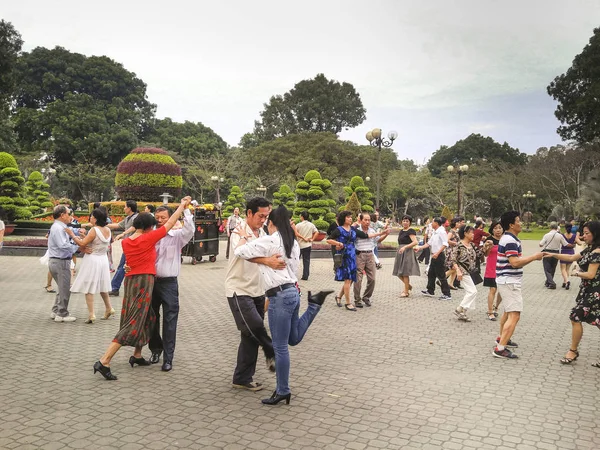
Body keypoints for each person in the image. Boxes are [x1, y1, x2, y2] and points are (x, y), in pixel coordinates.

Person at [234, 205, 333, 405]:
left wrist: (246, 238)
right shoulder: (293, 243)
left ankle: (282, 390)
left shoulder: (271, 240)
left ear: (272, 222)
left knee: (280, 348)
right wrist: (268, 261)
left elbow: (240, 252)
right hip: (292, 292)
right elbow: (293, 269)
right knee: (293, 339)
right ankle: (314, 304)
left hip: (280, 296)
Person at [93, 197, 190, 381]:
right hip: (144, 282)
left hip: (130, 282)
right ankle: (104, 360)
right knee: (134, 321)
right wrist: (182, 207)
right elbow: (170, 223)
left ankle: (137, 355)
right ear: (147, 228)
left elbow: (130, 262)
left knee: (149, 317)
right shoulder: (148, 239)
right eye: (153, 225)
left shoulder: (126, 242)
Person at [226, 197, 278, 392]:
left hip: (258, 291)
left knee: (249, 336)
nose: (263, 219)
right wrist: (267, 261)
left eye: (266, 216)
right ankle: (270, 349)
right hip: (239, 290)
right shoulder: (238, 230)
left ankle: (242, 378)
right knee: (255, 328)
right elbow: (242, 252)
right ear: (249, 213)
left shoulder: (263, 232)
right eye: (260, 215)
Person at [542, 221, 600, 366]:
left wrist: (577, 273)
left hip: (595, 293)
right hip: (588, 291)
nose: (584, 236)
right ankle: (573, 351)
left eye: (587, 233)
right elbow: (571, 258)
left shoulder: (597, 252)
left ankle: (573, 351)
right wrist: (553, 254)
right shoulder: (590, 250)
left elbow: (591, 274)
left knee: (575, 316)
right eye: (583, 233)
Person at [147, 204, 194, 372]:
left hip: (169, 283)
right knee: (151, 319)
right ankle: (155, 350)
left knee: (170, 320)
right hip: (151, 281)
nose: (160, 221)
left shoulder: (177, 236)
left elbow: (190, 230)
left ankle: (168, 357)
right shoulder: (150, 234)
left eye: (163, 218)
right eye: (157, 218)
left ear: (171, 219)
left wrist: (186, 210)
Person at [493, 211, 543, 359]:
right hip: (509, 281)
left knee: (508, 312)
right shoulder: (510, 240)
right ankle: (500, 348)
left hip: (506, 280)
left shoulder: (510, 238)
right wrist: (534, 257)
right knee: (515, 315)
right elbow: (514, 263)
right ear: (511, 224)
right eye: (518, 221)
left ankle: (502, 338)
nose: (520, 223)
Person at [326, 211, 387, 311]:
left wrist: (381, 233)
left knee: (349, 279)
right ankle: (348, 303)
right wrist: (338, 243)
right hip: (345, 255)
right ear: (343, 219)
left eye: (351, 217)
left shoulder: (353, 230)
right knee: (348, 279)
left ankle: (339, 297)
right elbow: (328, 239)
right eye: (348, 217)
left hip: (352, 255)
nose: (350, 219)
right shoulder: (339, 229)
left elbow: (366, 236)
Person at [67, 208, 115, 323]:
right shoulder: (108, 229)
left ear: (96, 219)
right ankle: (109, 308)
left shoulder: (94, 230)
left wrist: (72, 235)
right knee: (103, 285)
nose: (90, 219)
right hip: (103, 259)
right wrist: (84, 236)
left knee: (89, 286)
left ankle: (91, 314)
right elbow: (97, 242)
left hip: (92, 259)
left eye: (92, 217)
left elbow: (83, 244)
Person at [47, 205, 84, 322]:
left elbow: (70, 231)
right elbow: (63, 245)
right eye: (69, 214)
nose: (70, 216)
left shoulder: (59, 226)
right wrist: (78, 245)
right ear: (62, 215)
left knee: (62, 288)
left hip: (56, 261)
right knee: (65, 289)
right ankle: (62, 314)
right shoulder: (58, 228)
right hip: (60, 261)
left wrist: (77, 233)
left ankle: (55, 310)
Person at [353, 213, 389, 307]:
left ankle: (366, 297)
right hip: (359, 255)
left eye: (369, 220)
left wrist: (386, 235)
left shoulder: (372, 230)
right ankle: (357, 300)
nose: (368, 222)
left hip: (370, 255)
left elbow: (378, 240)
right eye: (365, 220)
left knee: (372, 278)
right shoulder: (356, 231)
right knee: (358, 279)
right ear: (360, 220)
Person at [415, 217, 452, 300]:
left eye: (432, 222)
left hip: (439, 255)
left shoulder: (441, 232)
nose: (431, 224)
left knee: (441, 275)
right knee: (431, 273)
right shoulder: (435, 232)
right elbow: (429, 243)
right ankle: (430, 290)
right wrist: (420, 248)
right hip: (434, 255)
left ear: (437, 223)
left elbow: (445, 244)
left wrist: (437, 253)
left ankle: (447, 294)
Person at [107, 200, 139, 296]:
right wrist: (102, 225)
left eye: (125, 207)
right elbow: (117, 225)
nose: (124, 208)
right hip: (128, 246)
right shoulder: (128, 218)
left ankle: (115, 288)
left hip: (133, 247)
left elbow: (135, 227)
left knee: (122, 267)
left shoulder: (136, 218)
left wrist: (123, 234)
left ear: (129, 208)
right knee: (125, 267)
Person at [453, 225, 483, 322]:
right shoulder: (459, 245)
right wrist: (458, 271)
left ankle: (463, 311)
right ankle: (460, 308)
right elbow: (453, 260)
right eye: (471, 232)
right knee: (472, 291)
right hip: (463, 271)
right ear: (465, 233)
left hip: (471, 272)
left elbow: (480, 254)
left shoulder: (472, 245)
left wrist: (487, 247)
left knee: (470, 292)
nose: (473, 234)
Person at [392, 215, 420, 298]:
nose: (405, 222)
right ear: (401, 222)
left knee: (405, 273)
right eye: (404, 221)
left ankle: (406, 291)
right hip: (400, 252)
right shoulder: (401, 231)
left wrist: (405, 247)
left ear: (410, 223)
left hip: (407, 252)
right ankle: (408, 286)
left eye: (407, 221)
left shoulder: (410, 231)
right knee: (398, 272)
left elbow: (415, 242)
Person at [483, 221, 504, 321]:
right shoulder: (489, 239)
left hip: (504, 267)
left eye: (500, 228)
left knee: (502, 290)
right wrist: (488, 247)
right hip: (492, 268)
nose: (498, 230)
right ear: (492, 230)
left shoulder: (505, 239)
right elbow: (485, 255)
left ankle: (496, 308)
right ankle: (490, 311)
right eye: (495, 228)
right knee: (493, 289)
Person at [539, 222, 569, 289]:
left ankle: (552, 283)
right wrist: (574, 244)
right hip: (556, 253)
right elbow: (565, 244)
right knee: (553, 268)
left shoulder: (546, 235)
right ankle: (548, 282)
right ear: (556, 227)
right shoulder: (560, 235)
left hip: (547, 252)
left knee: (547, 269)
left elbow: (541, 244)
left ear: (550, 227)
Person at [294, 211, 318, 280]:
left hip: (299, 245)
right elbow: (317, 232)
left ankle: (294, 274)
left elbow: (296, 234)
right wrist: (312, 239)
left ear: (302, 217)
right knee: (306, 261)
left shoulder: (298, 225)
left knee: (296, 260)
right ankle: (305, 276)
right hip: (307, 245)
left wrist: (302, 238)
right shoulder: (311, 225)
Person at [560, 224, 577, 290]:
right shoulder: (574, 235)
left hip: (564, 252)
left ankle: (567, 281)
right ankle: (565, 282)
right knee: (567, 269)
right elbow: (575, 243)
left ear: (565, 228)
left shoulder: (562, 235)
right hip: (571, 252)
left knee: (563, 269)